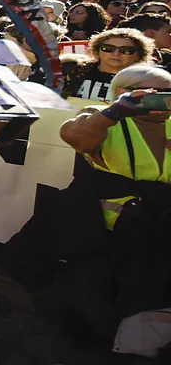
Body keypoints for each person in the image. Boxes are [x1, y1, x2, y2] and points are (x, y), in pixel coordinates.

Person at [56, 64, 171, 344]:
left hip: (161, 223)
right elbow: (74, 135)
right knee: (96, 287)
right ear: (121, 93)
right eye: (149, 94)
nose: (159, 101)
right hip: (110, 224)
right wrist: (117, 111)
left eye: (167, 94)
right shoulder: (101, 116)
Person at [60, 28, 153, 102]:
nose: (116, 53)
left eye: (126, 50)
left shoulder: (147, 81)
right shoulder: (73, 70)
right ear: (97, 50)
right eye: (108, 48)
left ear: (139, 55)